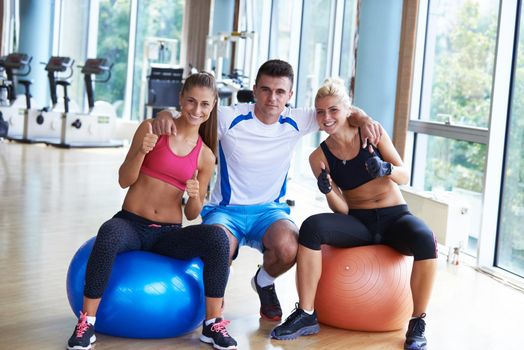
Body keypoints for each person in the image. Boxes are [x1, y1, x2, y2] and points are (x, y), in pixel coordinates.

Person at [152, 60, 382, 322]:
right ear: (254, 89)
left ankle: (263, 282)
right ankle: (216, 298)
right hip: (226, 211)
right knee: (218, 246)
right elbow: (192, 115)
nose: (272, 98)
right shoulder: (230, 117)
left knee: (289, 246)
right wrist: (165, 115)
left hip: (269, 211)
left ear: (290, 95)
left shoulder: (298, 119)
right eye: (265, 90)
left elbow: (341, 111)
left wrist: (364, 119)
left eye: (280, 92)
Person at [67, 72, 237, 350]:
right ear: (181, 99)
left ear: (213, 105)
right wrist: (140, 153)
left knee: (218, 238)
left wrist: (195, 196)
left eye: (205, 104)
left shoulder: (206, 156)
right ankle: (87, 323)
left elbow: (193, 213)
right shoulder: (152, 128)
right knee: (108, 233)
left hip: (168, 234)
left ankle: (212, 323)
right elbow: (124, 179)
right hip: (131, 223)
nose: (197, 110)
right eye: (191, 101)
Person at [270, 77, 437, 350]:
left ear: (348, 110)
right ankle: (307, 314)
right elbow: (342, 209)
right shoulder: (318, 157)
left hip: (395, 217)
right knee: (311, 227)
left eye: (333, 110)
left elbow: (404, 175)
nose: (326, 117)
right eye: (320, 112)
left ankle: (417, 322)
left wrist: (386, 170)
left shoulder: (371, 134)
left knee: (425, 238)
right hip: (359, 221)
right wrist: (328, 190)